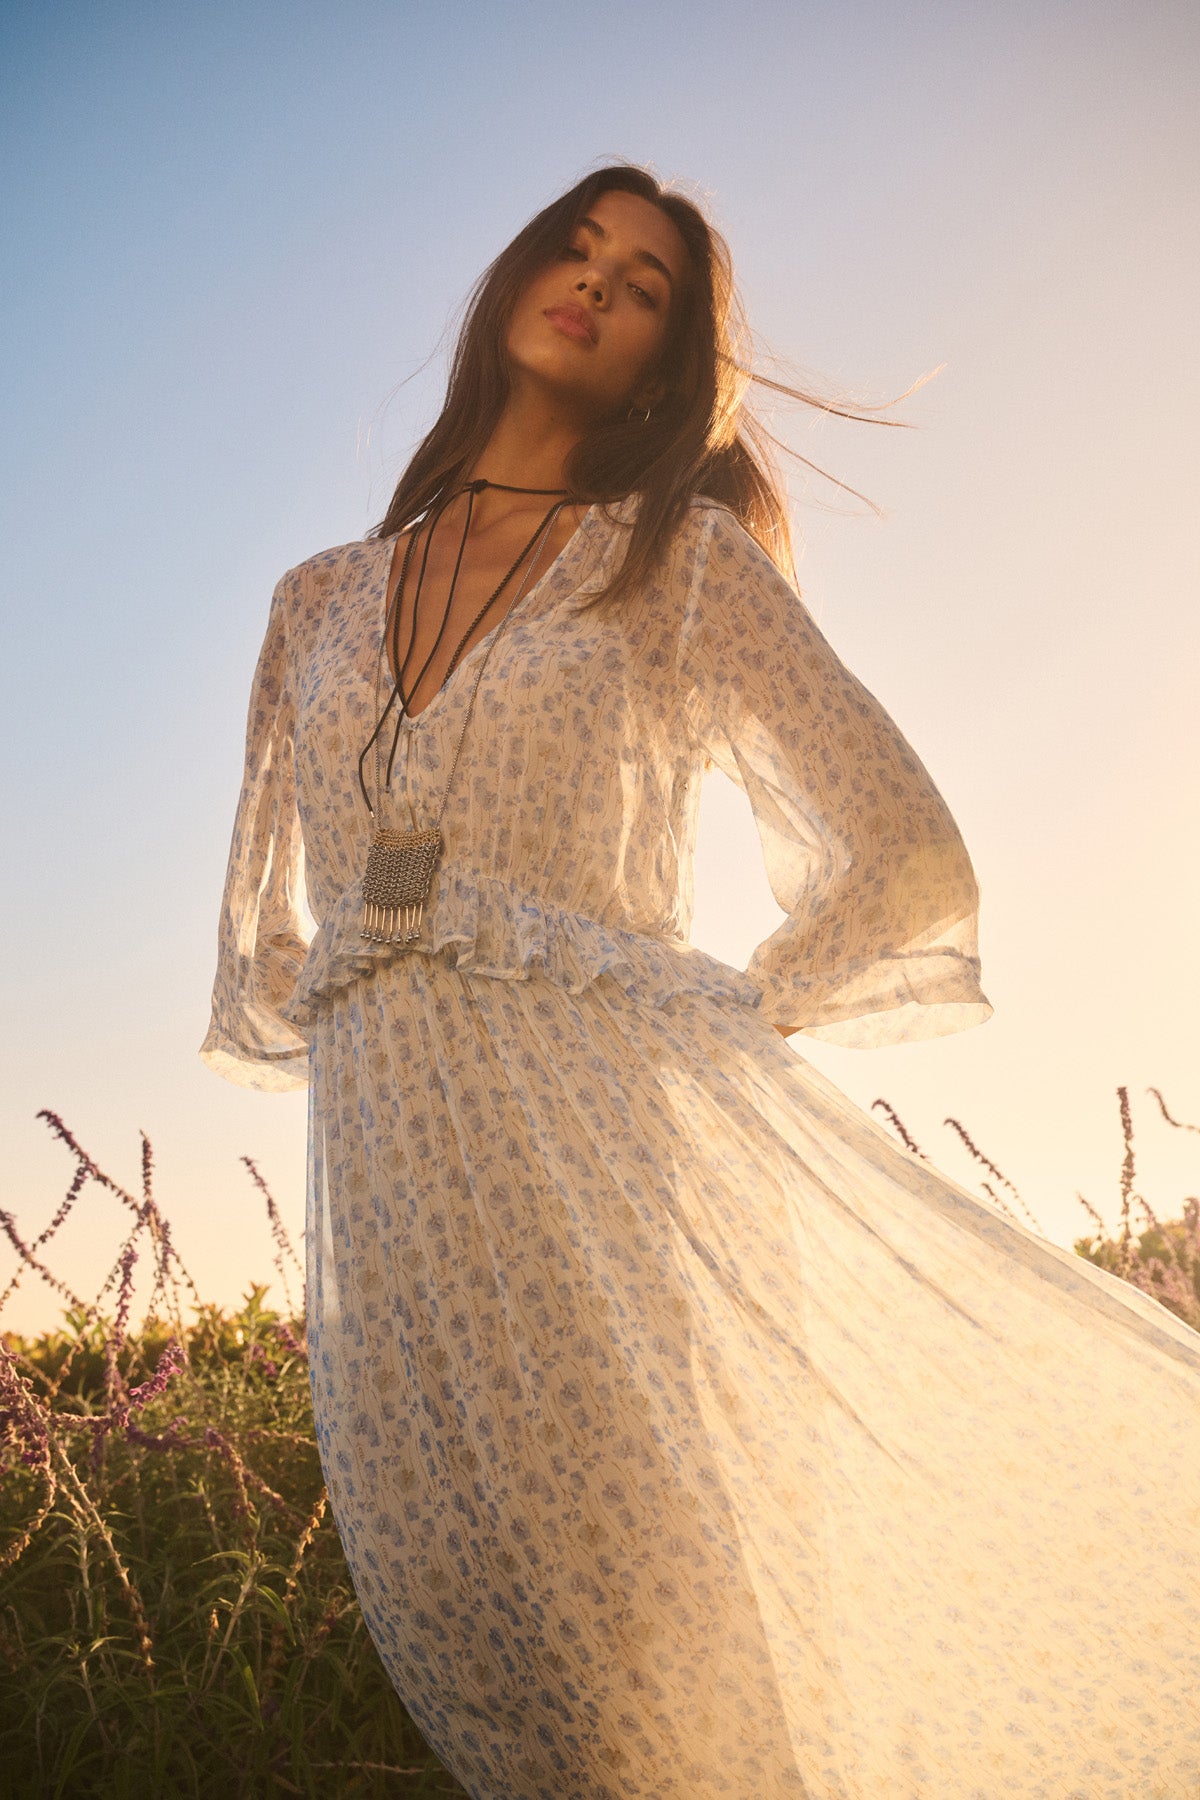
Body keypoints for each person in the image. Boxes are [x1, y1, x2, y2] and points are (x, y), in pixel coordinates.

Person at [202, 165, 1200, 1799]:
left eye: (644, 283)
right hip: (390, 1196)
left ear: (669, 366)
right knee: (491, 1646)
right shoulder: (310, 601)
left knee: (653, 1668)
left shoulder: (681, 559)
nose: (593, 283)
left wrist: (703, 1018)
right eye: (574, 248)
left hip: (608, 1171)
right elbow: (274, 946)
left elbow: (901, 853)